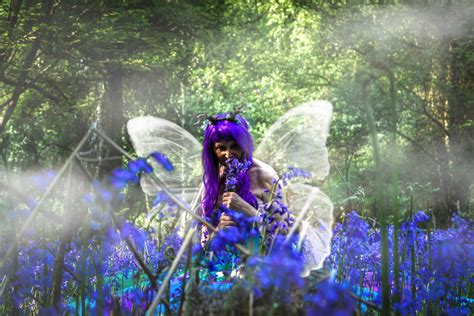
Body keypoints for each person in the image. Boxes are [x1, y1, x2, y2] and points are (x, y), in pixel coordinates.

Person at [200, 111, 292, 247]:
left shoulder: (265, 176)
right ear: (213, 150)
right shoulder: (211, 181)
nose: (228, 154)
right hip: (222, 264)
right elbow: (204, 245)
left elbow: (286, 234)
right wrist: (218, 230)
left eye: (234, 146)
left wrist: (248, 211)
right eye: (221, 148)